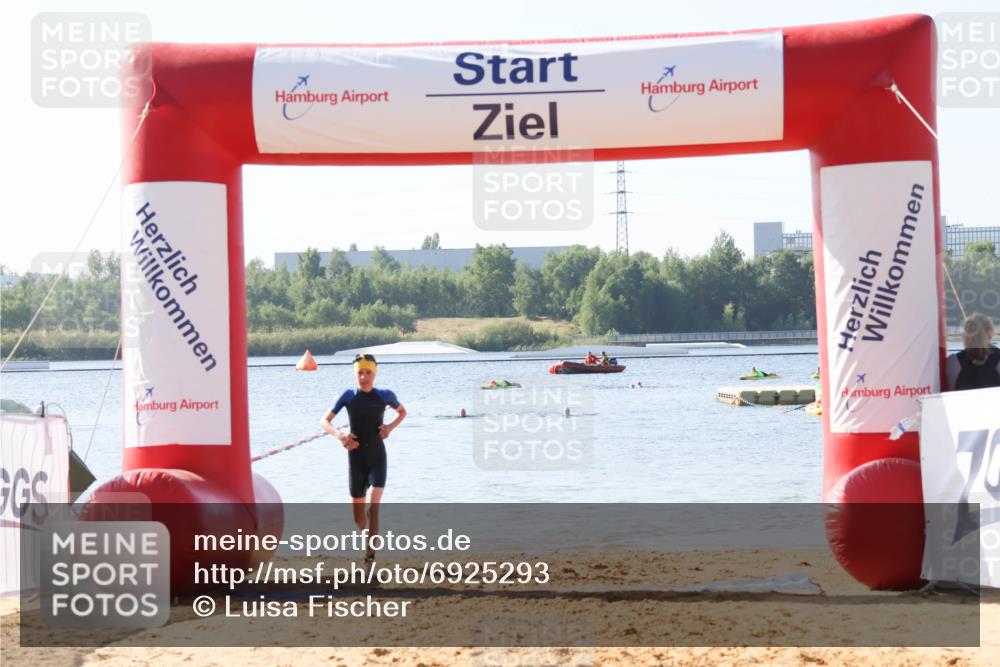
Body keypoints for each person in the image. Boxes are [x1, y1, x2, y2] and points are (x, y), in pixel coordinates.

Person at [320, 353, 407, 564]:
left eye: (368, 372)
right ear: (355, 374)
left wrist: (389, 428)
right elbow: (324, 421)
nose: (363, 377)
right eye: (360, 372)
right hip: (356, 460)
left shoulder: (384, 395)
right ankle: (367, 531)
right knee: (359, 519)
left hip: (377, 457)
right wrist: (340, 436)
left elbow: (402, 412)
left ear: (374, 374)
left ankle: (369, 557)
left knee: (374, 506)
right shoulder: (348, 395)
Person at [946, 313, 1000, 391]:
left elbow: (951, 391)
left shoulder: (953, 361)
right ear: (990, 333)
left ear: (965, 335)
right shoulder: (997, 359)